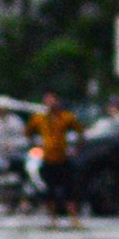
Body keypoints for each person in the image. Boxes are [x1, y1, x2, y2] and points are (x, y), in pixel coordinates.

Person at [27, 91, 84, 227]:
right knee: (49, 190)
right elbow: (28, 132)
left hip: (62, 157)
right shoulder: (39, 118)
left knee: (70, 189)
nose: (50, 103)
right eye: (47, 100)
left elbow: (80, 132)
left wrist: (76, 150)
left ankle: (73, 218)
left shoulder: (66, 117)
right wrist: (36, 145)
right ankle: (52, 219)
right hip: (48, 158)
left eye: (52, 100)